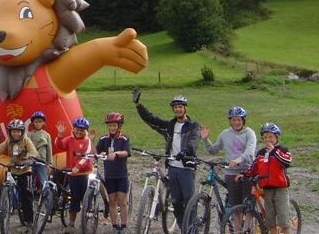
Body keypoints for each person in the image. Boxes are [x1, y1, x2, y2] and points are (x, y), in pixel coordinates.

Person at [133, 90, 200, 231]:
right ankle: (183, 229)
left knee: (189, 201)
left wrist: (185, 151)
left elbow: (193, 141)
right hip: (173, 167)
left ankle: (192, 229)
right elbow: (152, 120)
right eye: (175, 107)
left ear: (185, 108)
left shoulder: (193, 126)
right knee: (176, 202)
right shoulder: (170, 125)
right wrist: (138, 105)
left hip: (186, 168)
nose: (177, 109)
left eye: (180, 107)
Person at [239, 122, 293, 234]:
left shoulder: (282, 150)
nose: (268, 140)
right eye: (265, 137)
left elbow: (286, 162)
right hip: (267, 190)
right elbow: (254, 168)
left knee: (283, 221)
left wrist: (274, 151)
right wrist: (244, 174)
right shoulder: (261, 153)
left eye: (270, 137)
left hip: (280, 189)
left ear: (277, 137)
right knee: (270, 221)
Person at [0, 118, 38, 231]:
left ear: (22, 132)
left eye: (18, 131)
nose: (16, 134)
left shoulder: (26, 140)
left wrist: (31, 159)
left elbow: (33, 151)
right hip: (12, 169)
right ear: (10, 132)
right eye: (13, 131)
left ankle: (29, 221)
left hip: (24, 170)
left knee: (26, 195)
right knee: (1, 193)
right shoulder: (8, 141)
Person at [200, 106, 257, 208]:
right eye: (233, 120)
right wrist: (205, 139)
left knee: (248, 206)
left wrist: (238, 160)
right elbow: (213, 150)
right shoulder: (225, 134)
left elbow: (249, 152)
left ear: (243, 121)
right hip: (231, 173)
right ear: (230, 121)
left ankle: (249, 219)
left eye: (239, 120)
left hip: (247, 172)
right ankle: (236, 219)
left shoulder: (249, 133)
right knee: (235, 206)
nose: (236, 122)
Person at [54, 116, 94, 230]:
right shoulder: (69, 139)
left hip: (84, 174)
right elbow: (60, 145)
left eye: (82, 130)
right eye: (77, 129)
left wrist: (77, 167)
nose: (79, 132)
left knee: (86, 198)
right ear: (73, 129)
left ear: (86, 131)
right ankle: (71, 223)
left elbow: (86, 156)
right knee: (74, 198)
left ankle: (86, 218)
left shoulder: (87, 141)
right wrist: (60, 135)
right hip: (73, 175)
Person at [96, 112, 131, 234]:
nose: (112, 128)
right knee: (112, 200)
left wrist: (116, 154)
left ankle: (124, 225)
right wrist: (91, 140)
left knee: (122, 201)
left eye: (114, 125)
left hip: (121, 175)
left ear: (119, 126)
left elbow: (126, 152)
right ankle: (115, 225)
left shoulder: (124, 139)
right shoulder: (103, 139)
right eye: (110, 125)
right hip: (109, 175)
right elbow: (96, 152)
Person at [27, 110, 53, 189]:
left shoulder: (46, 135)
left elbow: (49, 149)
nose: (38, 123)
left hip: (42, 161)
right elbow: (27, 148)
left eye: (40, 121)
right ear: (32, 123)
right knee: (29, 182)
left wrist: (50, 163)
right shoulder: (29, 134)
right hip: (31, 161)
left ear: (43, 123)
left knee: (44, 181)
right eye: (36, 122)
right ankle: (30, 195)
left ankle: (46, 194)